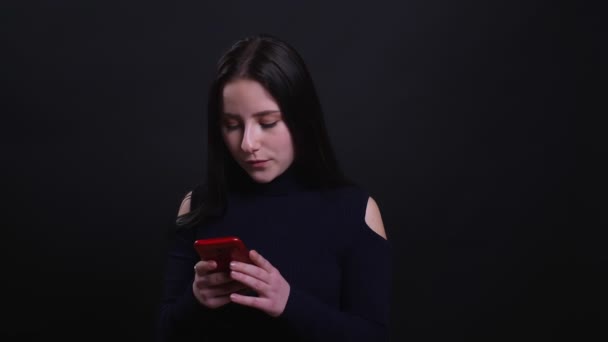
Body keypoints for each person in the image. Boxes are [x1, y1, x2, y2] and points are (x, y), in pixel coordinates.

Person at [155, 33, 392, 341]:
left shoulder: (356, 210)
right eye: (232, 124)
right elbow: (165, 333)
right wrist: (195, 301)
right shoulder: (199, 204)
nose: (247, 143)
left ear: (301, 119)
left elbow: (373, 336)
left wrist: (288, 303)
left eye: (267, 123)